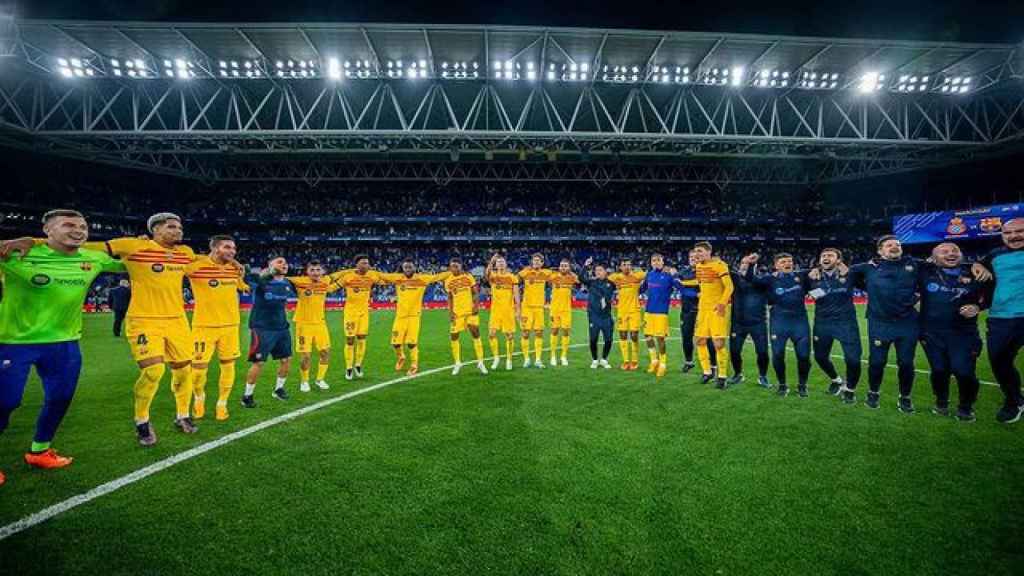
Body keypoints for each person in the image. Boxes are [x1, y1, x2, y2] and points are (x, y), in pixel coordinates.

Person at [1, 213, 205, 445]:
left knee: (183, 371)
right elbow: (83, 245)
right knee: (154, 371)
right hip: (145, 320)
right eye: (171, 227)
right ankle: (142, 421)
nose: (178, 231)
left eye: (179, 227)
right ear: (155, 230)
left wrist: (236, 263)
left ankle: (183, 415)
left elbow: (206, 261)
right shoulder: (132, 245)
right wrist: (32, 240)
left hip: (178, 321)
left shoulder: (186, 253)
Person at [0, 210, 126, 486]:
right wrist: (27, 241)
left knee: (60, 399)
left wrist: (144, 243)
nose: (78, 230)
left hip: (65, 343)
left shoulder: (94, 258)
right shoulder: (17, 253)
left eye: (83, 226)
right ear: (47, 230)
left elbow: (132, 264)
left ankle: (40, 450)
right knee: (5, 402)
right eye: (68, 225)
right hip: (14, 342)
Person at [846, 236, 922, 413]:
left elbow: (940, 266)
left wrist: (977, 265)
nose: (895, 247)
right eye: (889, 245)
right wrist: (816, 271)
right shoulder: (868, 267)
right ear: (880, 251)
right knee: (877, 362)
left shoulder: (914, 264)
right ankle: (873, 393)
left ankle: (905, 397)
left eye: (897, 245)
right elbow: (842, 270)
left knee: (906, 363)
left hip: (907, 323)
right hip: (879, 323)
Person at [917, 242, 983, 421]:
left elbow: (991, 296)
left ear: (961, 255)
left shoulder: (976, 273)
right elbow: (901, 263)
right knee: (939, 370)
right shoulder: (924, 273)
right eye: (944, 252)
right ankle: (941, 402)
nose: (951, 254)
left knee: (964, 372)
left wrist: (978, 306)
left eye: (955, 250)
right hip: (931, 334)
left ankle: (966, 406)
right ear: (934, 257)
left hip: (964, 334)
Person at [186, 235, 248, 421]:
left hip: (230, 326)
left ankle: (222, 404)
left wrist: (242, 281)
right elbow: (179, 257)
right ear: (214, 248)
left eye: (234, 249)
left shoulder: (234, 269)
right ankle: (199, 397)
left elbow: (241, 286)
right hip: (203, 326)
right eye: (227, 247)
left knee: (228, 366)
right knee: (198, 369)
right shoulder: (196, 267)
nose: (232, 251)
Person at [742, 253, 811, 396]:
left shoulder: (802, 276)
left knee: (804, 356)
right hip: (779, 322)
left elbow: (821, 273)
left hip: (800, 322)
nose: (788, 263)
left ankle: (802, 385)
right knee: (778, 355)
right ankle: (782, 385)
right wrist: (750, 264)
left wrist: (818, 270)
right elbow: (751, 279)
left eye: (790, 261)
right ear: (776, 265)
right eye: (783, 261)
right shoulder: (769, 279)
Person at [977, 217, 1024, 423]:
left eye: (1020, 231)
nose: (1014, 236)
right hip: (1001, 318)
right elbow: (977, 265)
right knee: (999, 362)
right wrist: (977, 266)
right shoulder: (995, 254)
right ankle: (1015, 401)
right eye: (1008, 233)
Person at [806, 248, 862, 403]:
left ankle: (850, 389)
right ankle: (836, 380)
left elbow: (869, 275)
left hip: (846, 324)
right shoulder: (811, 276)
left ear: (838, 260)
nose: (826, 257)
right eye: (823, 255)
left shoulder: (850, 275)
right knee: (820, 357)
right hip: (822, 323)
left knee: (853, 360)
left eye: (830, 255)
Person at [379, 259, 451, 376]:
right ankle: (401, 357)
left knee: (411, 343)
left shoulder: (422, 279)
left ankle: (414, 365)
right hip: (400, 316)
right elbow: (382, 276)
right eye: (405, 267)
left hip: (414, 316)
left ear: (414, 267)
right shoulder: (398, 278)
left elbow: (438, 277)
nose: (407, 269)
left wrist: (452, 271)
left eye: (410, 267)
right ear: (402, 268)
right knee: (395, 343)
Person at [242, 257, 294, 408]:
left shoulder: (287, 283)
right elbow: (245, 275)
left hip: (282, 327)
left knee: (286, 360)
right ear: (270, 265)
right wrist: (263, 273)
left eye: (285, 262)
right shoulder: (260, 280)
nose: (284, 264)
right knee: (259, 362)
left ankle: (278, 389)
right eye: (279, 262)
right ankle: (247, 396)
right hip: (262, 328)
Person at [287, 260, 341, 393]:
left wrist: (353, 271)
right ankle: (304, 381)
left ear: (322, 272)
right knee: (306, 356)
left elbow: (339, 275)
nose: (315, 273)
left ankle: (320, 379)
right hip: (303, 324)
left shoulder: (325, 281)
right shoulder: (300, 281)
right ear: (307, 272)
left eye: (318, 270)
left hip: (320, 324)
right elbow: (281, 277)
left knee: (325, 352)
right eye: (312, 270)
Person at [330, 256, 383, 380]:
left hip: (364, 313)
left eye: (367, 263)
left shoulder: (372, 276)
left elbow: (385, 280)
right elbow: (332, 288)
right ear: (357, 264)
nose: (366, 265)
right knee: (349, 340)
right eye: (364, 263)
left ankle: (358, 365)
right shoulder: (347, 277)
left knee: (362, 338)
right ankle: (349, 367)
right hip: (350, 313)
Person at [691, 242, 733, 388]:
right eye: (696, 252)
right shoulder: (698, 266)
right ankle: (707, 372)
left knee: (718, 343)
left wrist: (722, 303)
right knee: (699, 341)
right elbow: (702, 284)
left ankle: (722, 376)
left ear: (709, 252)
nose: (697, 254)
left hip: (717, 310)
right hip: (703, 310)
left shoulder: (720, 265)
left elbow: (729, 286)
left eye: (700, 251)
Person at [729, 258, 771, 389]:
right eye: (743, 263)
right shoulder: (734, 279)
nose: (745, 266)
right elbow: (721, 268)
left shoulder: (762, 280)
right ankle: (738, 374)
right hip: (738, 322)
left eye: (749, 264)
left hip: (758, 322)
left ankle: (762, 376)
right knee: (735, 351)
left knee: (762, 352)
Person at [444, 258, 488, 375]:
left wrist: (476, 306)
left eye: (456, 266)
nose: (454, 268)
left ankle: (480, 362)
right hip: (457, 313)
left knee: (475, 333)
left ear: (461, 266)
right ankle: (457, 362)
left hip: (470, 311)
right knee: (454, 336)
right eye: (452, 266)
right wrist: (450, 312)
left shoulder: (468, 276)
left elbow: (475, 292)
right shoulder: (448, 280)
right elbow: (449, 297)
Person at [677, 250, 718, 374]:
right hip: (687, 310)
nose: (693, 259)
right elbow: (679, 286)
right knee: (686, 337)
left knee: (709, 338)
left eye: (695, 257)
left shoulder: (707, 271)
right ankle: (689, 362)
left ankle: (713, 365)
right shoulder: (683, 273)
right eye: (691, 257)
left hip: (704, 310)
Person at [607, 258, 646, 370]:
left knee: (634, 335)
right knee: (623, 335)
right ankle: (625, 361)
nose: (627, 267)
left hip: (635, 310)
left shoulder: (637, 276)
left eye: (629, 265)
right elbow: (603, 279)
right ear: (620, 267)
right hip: (621, 311)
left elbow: (650, 274)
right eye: (624, 265)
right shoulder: (616, 277)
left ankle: (634, 361)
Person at [639, 253, 674, 378]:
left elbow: (680, 286)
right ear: (651, 262)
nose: (656, 262)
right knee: (648, 336)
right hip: (649, 311)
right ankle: (654, 361)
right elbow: (641, 289)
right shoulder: (649, 275)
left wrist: (675, 274)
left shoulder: (669, 275)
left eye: (658, 260)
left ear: (663, 262)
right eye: (653, 260)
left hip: (661, 312)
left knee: (660, 339)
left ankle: (663, 364)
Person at [483, 254, 520, 371]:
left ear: (506, 264)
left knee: (509, 336)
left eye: (502, 262)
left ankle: (509, 359)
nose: (500, 263)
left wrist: (518, 309)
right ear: (496, 265)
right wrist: (491, 261)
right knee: (491, 334)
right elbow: (486, 273)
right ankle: (496, 358)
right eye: (498, 262)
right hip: (495, 310)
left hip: (508, 310)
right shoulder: (493, 276)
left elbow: (516, 293)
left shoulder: (512, 277)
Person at [517, 254, 552, 368]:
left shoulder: (546, 273)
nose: (536, 262)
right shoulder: (525, 272)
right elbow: (515, 281)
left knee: (539, 333)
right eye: (534, 260)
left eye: (538, 261)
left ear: (542, 263)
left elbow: (557, 278)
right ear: (531, 262)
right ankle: (526, 359)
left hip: (539, 308)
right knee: (525, 333)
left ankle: (538, 359)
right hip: (526, 307)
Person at [580, 257, 615, 369]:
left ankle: (604, 359)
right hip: (594, 316)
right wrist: (585, 265)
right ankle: (595, 360)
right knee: (593, 339)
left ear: (605, 271)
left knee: (608, 339)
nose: (598, 272)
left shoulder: (611, 283)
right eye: (596, 270)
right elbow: (581, 278)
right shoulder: (591, 283)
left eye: (600, 270)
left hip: (607, 317)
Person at [547, 259, 579, 367]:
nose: (563, 267)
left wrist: (571, 272)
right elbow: (547, 278)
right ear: (559, 267)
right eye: (561, 266)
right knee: (554, 330)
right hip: (555, 309)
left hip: (566, 310)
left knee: (566, 332)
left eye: (565, 266)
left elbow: (578, 280)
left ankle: (563, 356)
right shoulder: (554, 276)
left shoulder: (571, 278)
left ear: (569, 267)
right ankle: (553, 356)